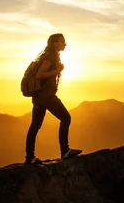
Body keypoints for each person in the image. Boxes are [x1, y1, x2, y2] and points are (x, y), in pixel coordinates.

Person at [25, 33, 82, 164]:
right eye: (62, 41)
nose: (64, 44)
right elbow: (39, 75)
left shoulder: (49, 55)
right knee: (66, 118)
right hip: (46, 96)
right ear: (54, 43)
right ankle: (65, 151)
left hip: (39, 96)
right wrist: (57, 70)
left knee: (35, 126)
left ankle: (30, 157)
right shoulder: (50, 57)